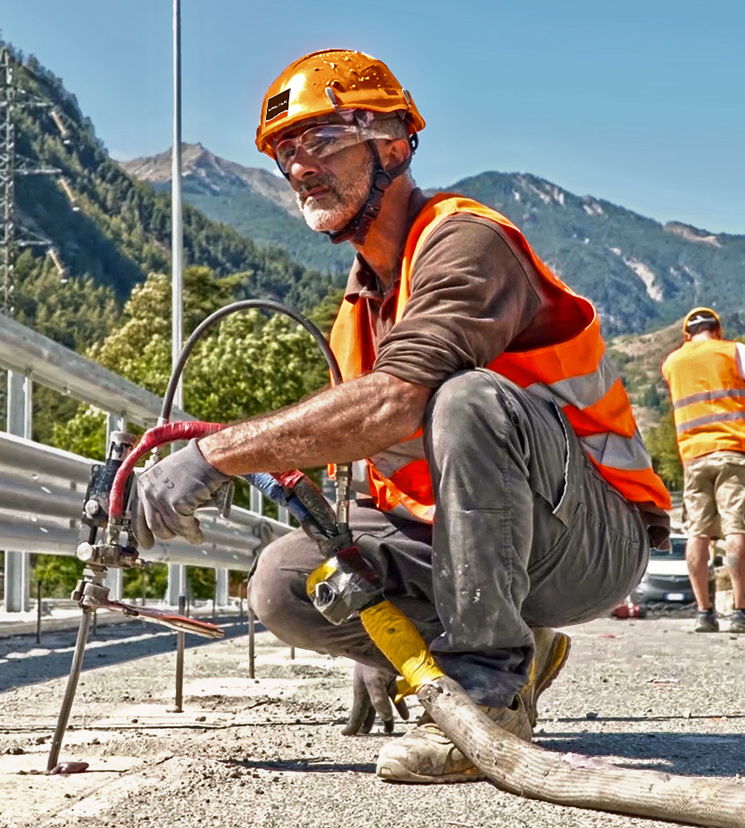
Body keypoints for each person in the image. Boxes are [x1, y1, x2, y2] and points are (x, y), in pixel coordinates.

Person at [130, 49, 673, 784]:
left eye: (321, 141)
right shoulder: (360, 307)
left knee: (464, 397)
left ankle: (487, 699)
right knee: (283, 580)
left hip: (588, 541)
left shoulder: (465, 241)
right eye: (286, 150)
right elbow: (370, 481)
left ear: (391, 143)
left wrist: (213, 455)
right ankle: (490, 656)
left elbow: (401, 399)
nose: (299, 166)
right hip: (465, 544)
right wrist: (381, 637)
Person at [660, 307, 745, 633]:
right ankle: (741, 611)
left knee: (698, 533)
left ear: (687, 335)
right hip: (731, 453)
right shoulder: (731, 350)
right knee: (735, 529)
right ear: (716, 330)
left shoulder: (672, 363)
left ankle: (704, 614)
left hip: (692, 456)